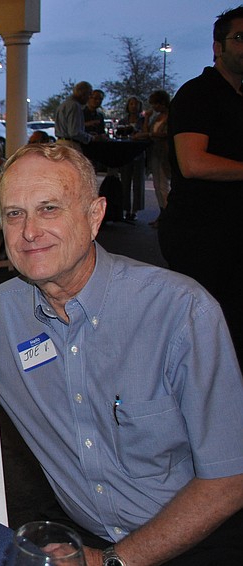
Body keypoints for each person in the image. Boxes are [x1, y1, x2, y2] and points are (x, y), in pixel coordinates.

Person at [0, 143, 243, 566]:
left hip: (197, 535)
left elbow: (230, 479)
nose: (28, 231)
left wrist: (114, 561)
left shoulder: (180, 312)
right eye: (14, 213)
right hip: (82, 536)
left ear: (95, 215)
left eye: (49, 208)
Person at [160, 5, 243, 366]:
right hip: (204, 237)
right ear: (217, 47)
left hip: (231, 235)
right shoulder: (199, 94)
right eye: (240, 38)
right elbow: (193, 163)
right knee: (209, 340)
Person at [142, 90, 171, 226]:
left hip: (165, 153)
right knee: (157, 185)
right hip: (155, 153)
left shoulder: (171, 117)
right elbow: (146, 130)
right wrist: (147, 118)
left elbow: (167, 134)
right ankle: (163, 213)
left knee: (163, 185)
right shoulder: (157, 117)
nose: (154, 107)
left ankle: (167, 215)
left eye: (155, 104)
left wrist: (152, 135)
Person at [117, 97, 146, 221]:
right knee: (125, 182)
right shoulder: (123, 120)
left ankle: (135, 210)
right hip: (125, 153)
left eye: (136, 104)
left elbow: (146, 133)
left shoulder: (143, 120)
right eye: (131, 104)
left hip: (139, 153)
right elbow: (118, 133)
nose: (133, 106)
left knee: (138, 183)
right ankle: (126, 209)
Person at [54, 81, 100, 150]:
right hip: (70, 144)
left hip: (60, 143)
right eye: (89, 94)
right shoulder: (74, 106)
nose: (89, 98)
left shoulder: (63, 105)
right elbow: (74, 132)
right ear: (83, 94)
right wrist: (91, 138)